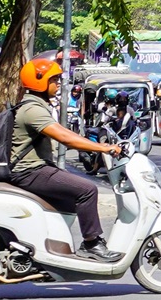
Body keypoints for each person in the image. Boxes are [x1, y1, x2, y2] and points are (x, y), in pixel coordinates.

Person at [9, 60, 127, 264]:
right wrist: (104, 148)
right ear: (40, 82)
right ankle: (91, 243)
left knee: (69, 202)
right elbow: (64, 138)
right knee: (87, 190)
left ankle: (48, 249)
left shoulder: (35, 106)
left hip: (34, 169)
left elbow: (64, 132)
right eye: (53, 80)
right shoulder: (32, 110)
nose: (58, 85)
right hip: (29, 171)